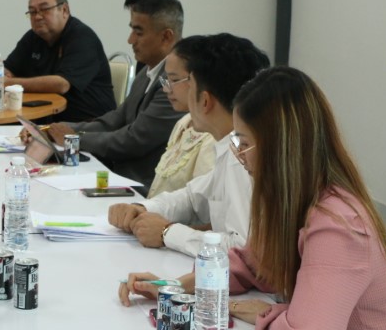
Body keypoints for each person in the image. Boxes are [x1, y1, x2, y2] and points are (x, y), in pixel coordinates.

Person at [119, 67, 386, 330]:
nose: (237, 154)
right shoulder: (297, 200)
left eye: (244, 143)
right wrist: (174, 288)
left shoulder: (340, 225)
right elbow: (251, 263)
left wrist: (253, 310)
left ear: (280, 148)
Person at [108, 33, 269, 256]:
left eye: (189, 87)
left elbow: (242, 248)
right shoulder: (228, 146)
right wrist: (142, 209)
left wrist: (167, 233)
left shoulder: (242, 157)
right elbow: (193, 198)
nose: (168, 90)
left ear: (205, 100)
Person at [46, 0, 185, 192]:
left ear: (166, 36)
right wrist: (60, 129)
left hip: (143, 187)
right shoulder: (147, 72)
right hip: (117, 173)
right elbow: (115, 119)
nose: (130, 40)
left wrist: (74, 139)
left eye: (139, 33)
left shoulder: (174, 84)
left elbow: (133, 140)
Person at [0, 0, 116, 121]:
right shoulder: (33, 37)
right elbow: (8, 69)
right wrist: (0, 74)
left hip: (87, 124)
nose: (37, 17)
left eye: (44, 9)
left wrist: (7, 83)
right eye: (32, 12)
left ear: (64, 10)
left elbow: (61, 84)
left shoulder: (82, 37)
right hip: (44, 117)